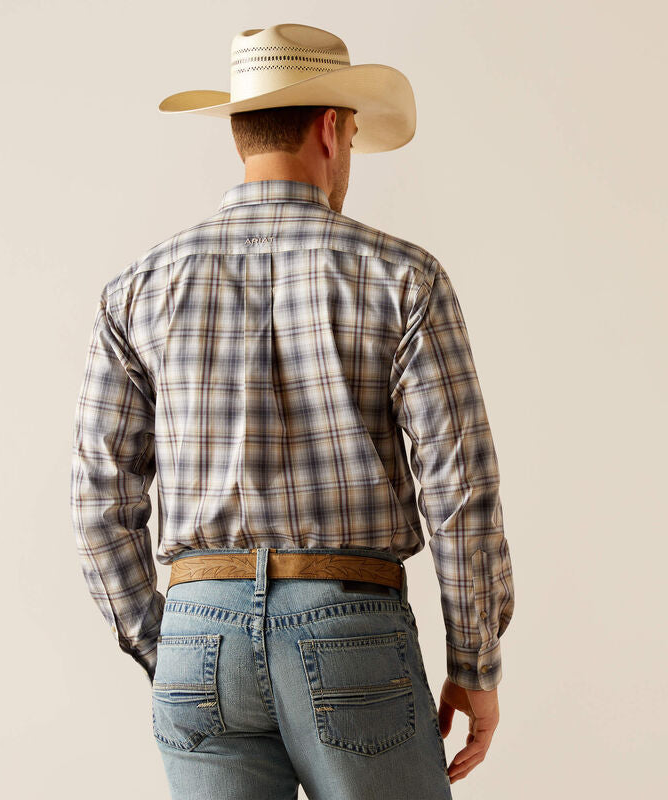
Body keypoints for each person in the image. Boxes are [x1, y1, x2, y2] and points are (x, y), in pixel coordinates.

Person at [70, 22, 514, 799]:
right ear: (330, 130)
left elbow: (97, 500)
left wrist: (167, 644)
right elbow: (460, 488)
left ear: (240, 133)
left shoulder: (137, 290)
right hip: (348, 627)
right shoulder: (404, 277)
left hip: (198, 632)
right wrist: (475, 664)